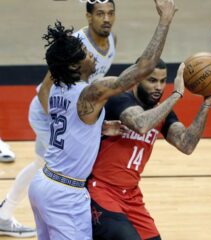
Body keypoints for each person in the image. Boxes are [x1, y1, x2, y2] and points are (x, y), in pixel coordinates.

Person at [28, 0, 176, 239]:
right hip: (66, 193)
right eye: (86, 54)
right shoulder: (90, 93)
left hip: (43, 184)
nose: (92, 56)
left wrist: (99, 128)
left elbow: (73, 123)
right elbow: (144, 67)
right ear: (76, 65)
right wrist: (164, 21)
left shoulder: (58, 89)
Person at [0, 0, 117, 237]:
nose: (106, 19)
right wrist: (67, 121)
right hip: (49, 112)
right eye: (100, 13)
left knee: (42, 166)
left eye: (110, 13)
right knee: (59, 170)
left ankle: (4, 214)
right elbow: (45, 89)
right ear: (88, 16)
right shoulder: (76, 44)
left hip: (71, 111)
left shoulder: (112, 40)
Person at [88, 58, 211, 240]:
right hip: (101, 191)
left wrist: (206, 104)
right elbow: (141, 123)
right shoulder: (120, 99)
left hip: (131, 196)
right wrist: (176, 94)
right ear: (137, 79)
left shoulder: (162, 111)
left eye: (163, 81)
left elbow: (186, 144)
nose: (159, 87)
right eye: (152, 81)